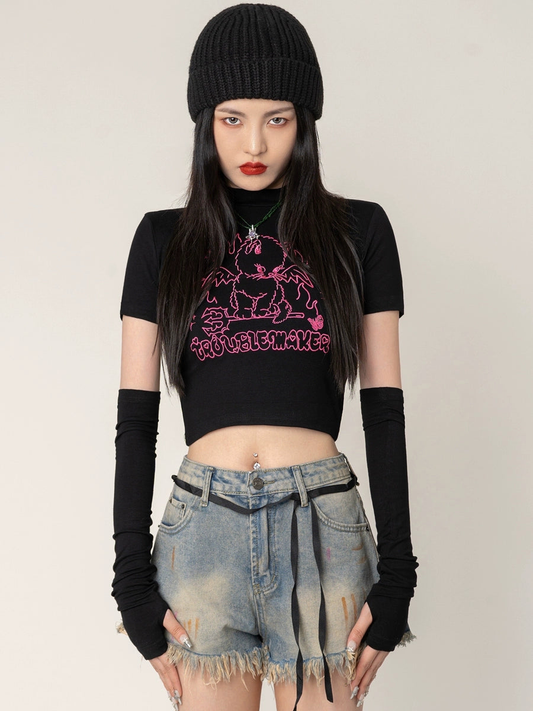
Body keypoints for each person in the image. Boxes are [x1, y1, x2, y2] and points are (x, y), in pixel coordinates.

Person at [111, 4, 419, 711]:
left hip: (323, 528)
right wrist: (130, 579)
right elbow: (135, 419)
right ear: (205, 123)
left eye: (276, 119)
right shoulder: (161, 240)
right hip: (203, 529)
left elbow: (384, 411)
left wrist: (398, 573)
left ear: (304, 122)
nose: (254, 142)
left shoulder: (359, 231)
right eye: (232, 119)